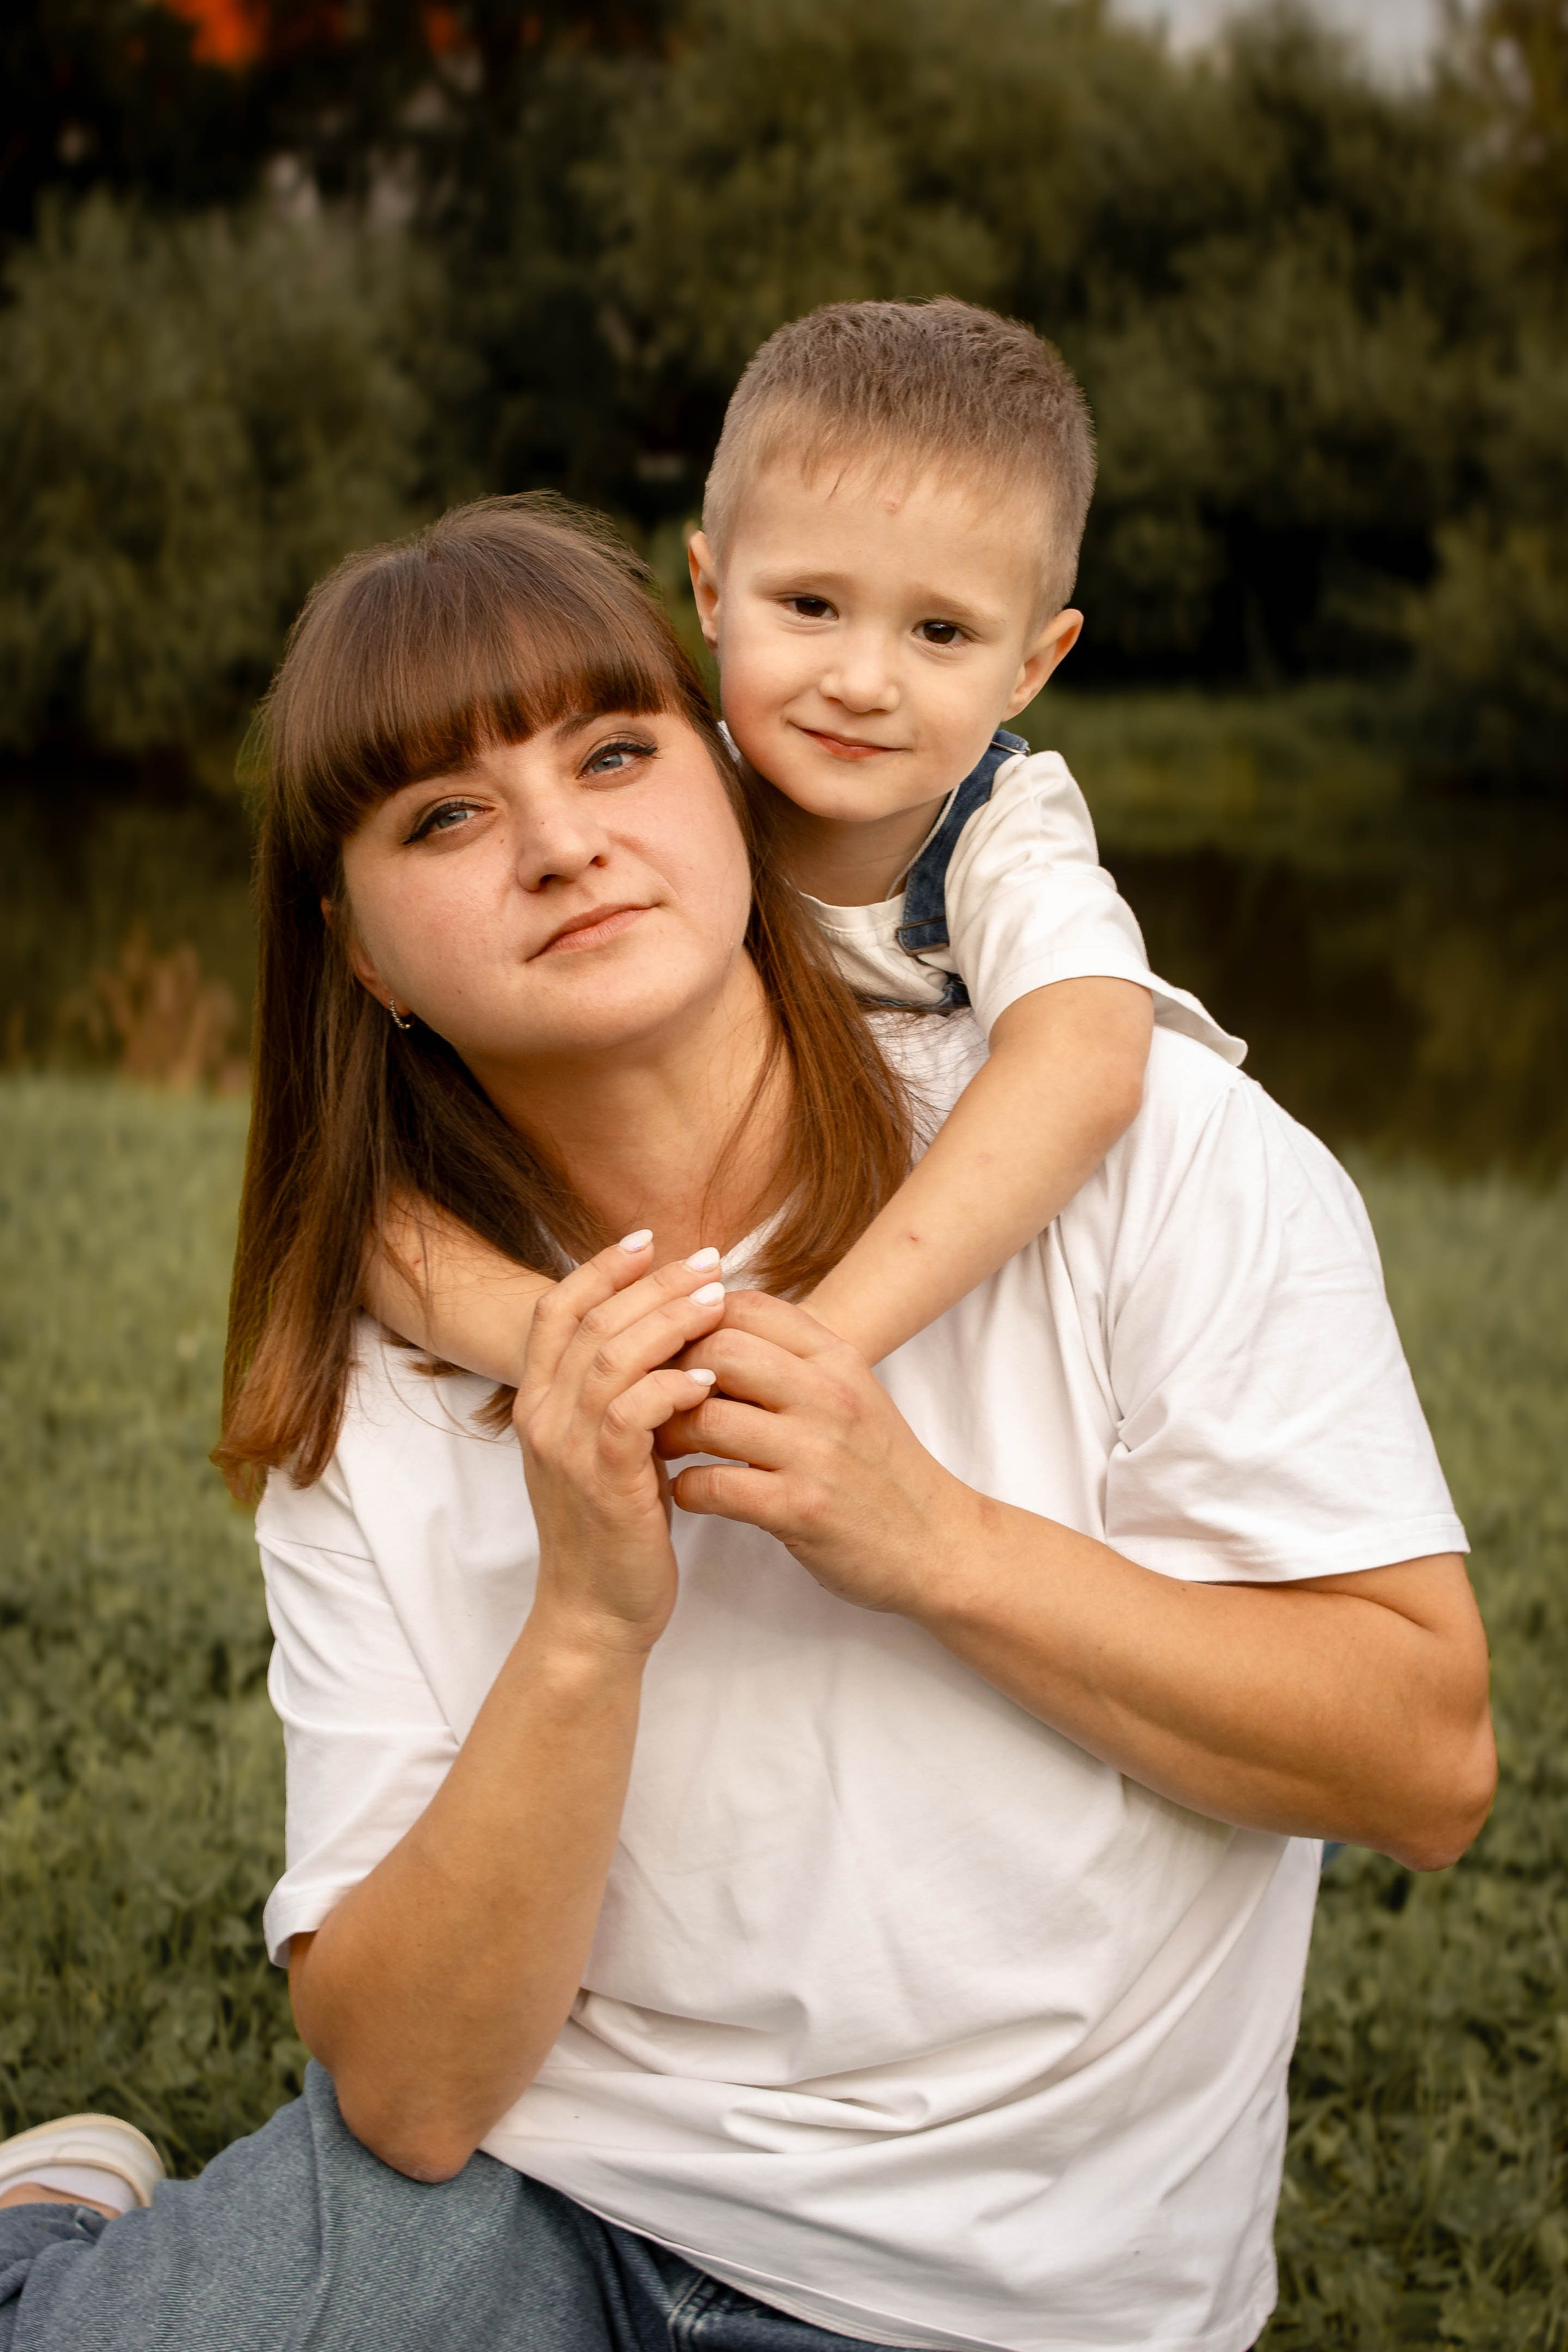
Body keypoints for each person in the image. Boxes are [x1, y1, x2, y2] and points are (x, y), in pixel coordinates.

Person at [0, 499, 1494, 2352]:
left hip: (995, 2301)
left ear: (731, 783)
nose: (560, 844)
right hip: (541, 2196)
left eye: (615, 751)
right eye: (445, 817)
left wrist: (930, 1537)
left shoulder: (1151, 1157)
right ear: (360, 953)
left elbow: (1425, 1764)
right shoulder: (379, 1363)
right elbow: (408, 2094)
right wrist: (585, 1628)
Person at [364, 300, 1243, 1383]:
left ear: (1031, 665)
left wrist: (824, 1345)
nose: (862, 683)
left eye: (940, 632)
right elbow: (361, 1209)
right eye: (813, 604)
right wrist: (579, 1354)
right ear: (713, 592)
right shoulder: (663, 800)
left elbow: (1088, 1064)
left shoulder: (1003, 827)